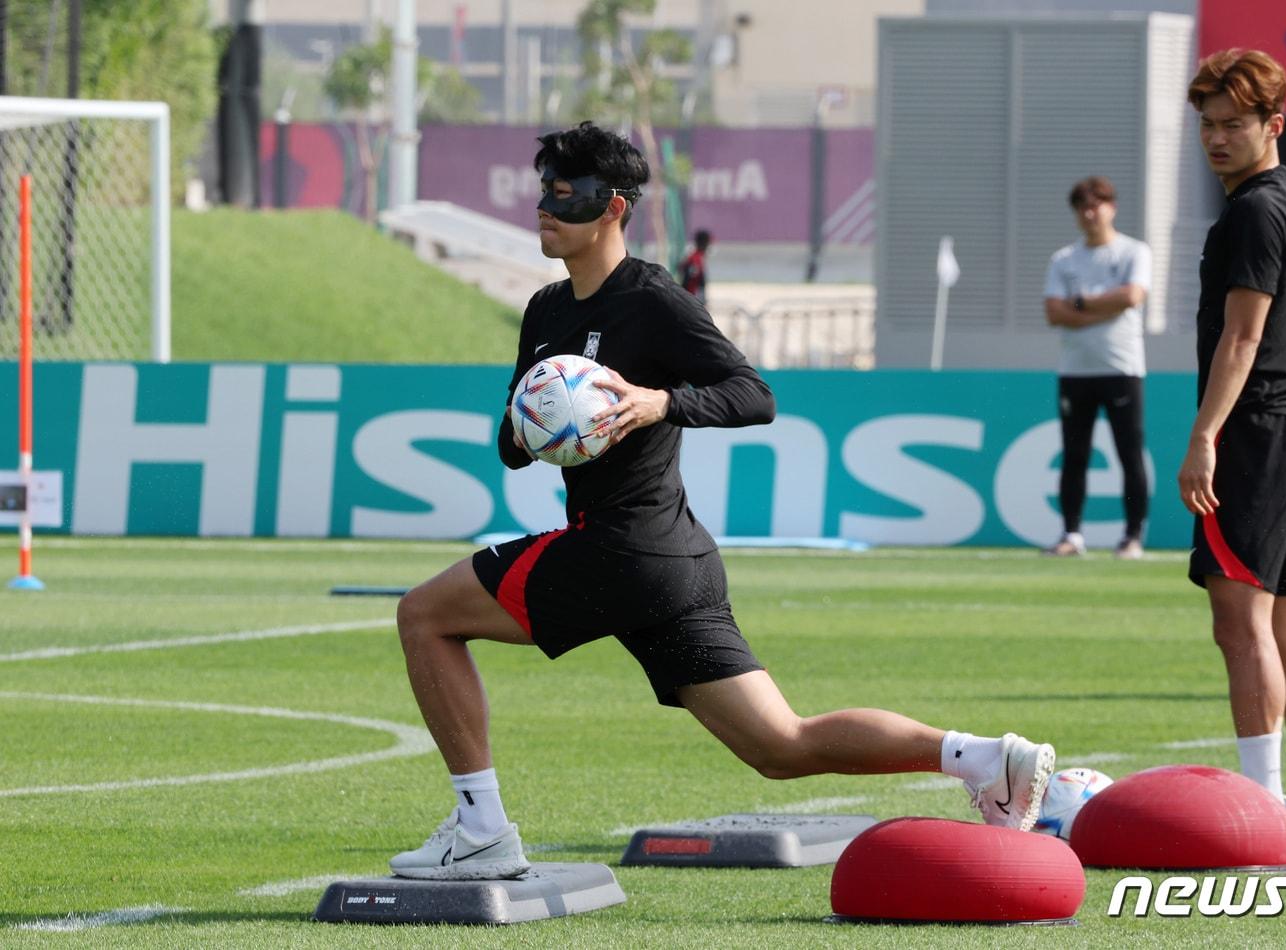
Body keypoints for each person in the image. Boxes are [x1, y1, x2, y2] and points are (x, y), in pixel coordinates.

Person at [387, 122, 1056, 881]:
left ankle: (480, 829)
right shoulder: (545, 309)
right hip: (669, 564)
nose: (546, 206)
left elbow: (753, 395)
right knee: (782, 747)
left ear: (613, 207)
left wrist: (655, 403)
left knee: (425, 615)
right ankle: (983, 759)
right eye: (542, 190)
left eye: (565, 194)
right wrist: (538, 421)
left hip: (623, 551)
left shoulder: (652, 298)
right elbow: (513, 445)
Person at [1181, 49, 1286, 852]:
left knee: (1240, 626)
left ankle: (1264, 812)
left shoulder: (1253, 210)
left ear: (1273, 125)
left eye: (1232, 124)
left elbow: (1242, 337)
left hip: (1254, 433)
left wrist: (1205, 435)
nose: (1215, 138)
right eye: (1206, 124)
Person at [1042, 176, 1152, 560]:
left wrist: (1081, 305)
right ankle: (1071, 534)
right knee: (1074, 455)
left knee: (1128, 453)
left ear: (1111, 207)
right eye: (1083, 207)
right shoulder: (1063, 260)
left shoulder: (1133, 252)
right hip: (1075, 371)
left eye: (1097, 205)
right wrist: (1101, 307)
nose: (1091, 214)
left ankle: (1132, 536)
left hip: (1122, 368)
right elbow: (1053, 312)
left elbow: (1132, 295)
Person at [677, 229, 711, 303]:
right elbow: (688, 279)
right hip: (692, 298)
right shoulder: (695, 258)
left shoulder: (696, 256)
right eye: (708, 243)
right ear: (705, 243)